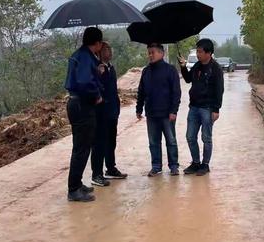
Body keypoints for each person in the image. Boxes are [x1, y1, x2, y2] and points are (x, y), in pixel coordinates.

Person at [64, 27, 104, 202]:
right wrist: (96, 95)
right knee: (81, 148)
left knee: (81, 146)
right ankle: (73, 189)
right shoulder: (86, 58)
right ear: (98, 43)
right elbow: (84, 81)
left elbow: (84, 77)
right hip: (82, 105)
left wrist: (97, 70)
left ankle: (77, 183)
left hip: (76, 103)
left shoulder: (80, 55)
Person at [179, 39, 224, 176]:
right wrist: (183, 66)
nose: (197, 54)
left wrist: (216, 110)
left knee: (206, 138)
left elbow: (219, 90)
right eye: (197, 51)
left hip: (207, 108)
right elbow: (188, 79)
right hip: (194, 107)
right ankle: (195, 163)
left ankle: (205, 165)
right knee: (190, 136)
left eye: (200, 51)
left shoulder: (216, 69)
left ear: (208, 53)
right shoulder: (197, 65)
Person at [136, 43, 181, 177]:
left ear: (162, 53)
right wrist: (138, 109)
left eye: (153, 52)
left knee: (171, 141)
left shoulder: (170, 70)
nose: (150, 55)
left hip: (167, 114)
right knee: (153, 142)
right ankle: (156, 166)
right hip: (151, 113)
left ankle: (173, 166)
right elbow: (141, 92)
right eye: (149, 52)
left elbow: (176, 92)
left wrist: (174, 111)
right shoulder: (146, 71)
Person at [90, 42, 127, 187]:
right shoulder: (97, 68)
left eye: (110, 49)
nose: (109, 52)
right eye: (105, 49)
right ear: (99, 52)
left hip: (112, 111)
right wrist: (99, 73)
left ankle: (110, 168)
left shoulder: (111, 68)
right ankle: (96, 173)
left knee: (111, 142)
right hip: (101, 111)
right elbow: (95, 87)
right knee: (99, 143)